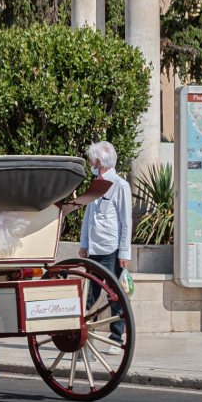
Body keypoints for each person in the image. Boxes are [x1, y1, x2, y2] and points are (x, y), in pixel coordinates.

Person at [79, 141, 132, 354]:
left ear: (99, 161)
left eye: (92, 160)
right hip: (94, 248)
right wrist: (84, 243)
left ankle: (117, 338)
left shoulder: (120, 185)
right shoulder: (96, 183)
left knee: (115, 294)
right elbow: (88, 216)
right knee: (91, 293)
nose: (90, 163)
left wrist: (124, 252)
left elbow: (126, 221)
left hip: (111, 249)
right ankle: (86, 334)